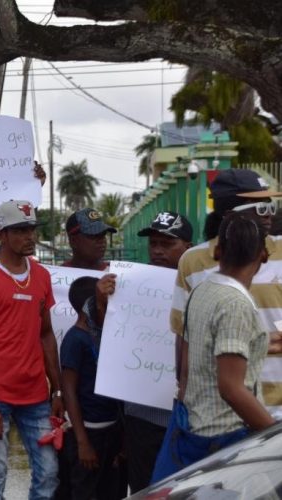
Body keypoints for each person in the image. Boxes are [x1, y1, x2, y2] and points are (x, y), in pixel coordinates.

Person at [153, 212, 277, 481]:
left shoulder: (202, 290)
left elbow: (186, 368)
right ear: (264, 256)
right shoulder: (235, 304)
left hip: (195, 429)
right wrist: (274, 436)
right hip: (227, 439)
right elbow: (231, 389)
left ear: (218, 251)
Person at [0, 200, 63, 500]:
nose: (29, 236)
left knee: (48, 472)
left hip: (35, 395)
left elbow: (46, 334)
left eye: (32, 229)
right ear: (1, 235)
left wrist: (56, 390)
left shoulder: (42, 276)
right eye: (20, 230)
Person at [170, 169, 282, 418]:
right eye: (259, 207)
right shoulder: (193, 261)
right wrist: (185, 395)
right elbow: (185, 336)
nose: (268, 215)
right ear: (229, 214)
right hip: (220, 412)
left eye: (269, 205)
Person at [123, 211, 192, 493]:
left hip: (187, 415)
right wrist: (105, 301)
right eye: (153, 244)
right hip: (143, 415)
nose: (158, 250)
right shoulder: (130, 283)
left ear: (188, 247)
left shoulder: (203, 284)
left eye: (167, 243)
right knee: (144, 488)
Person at [59, 275, 123, 500]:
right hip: (87, 432)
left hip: (111, 429)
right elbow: (69, 392)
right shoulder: (75, 340)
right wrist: (82, 442)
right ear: (89, 305)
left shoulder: (108, 335)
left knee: (111, 490)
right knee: (84, 491)